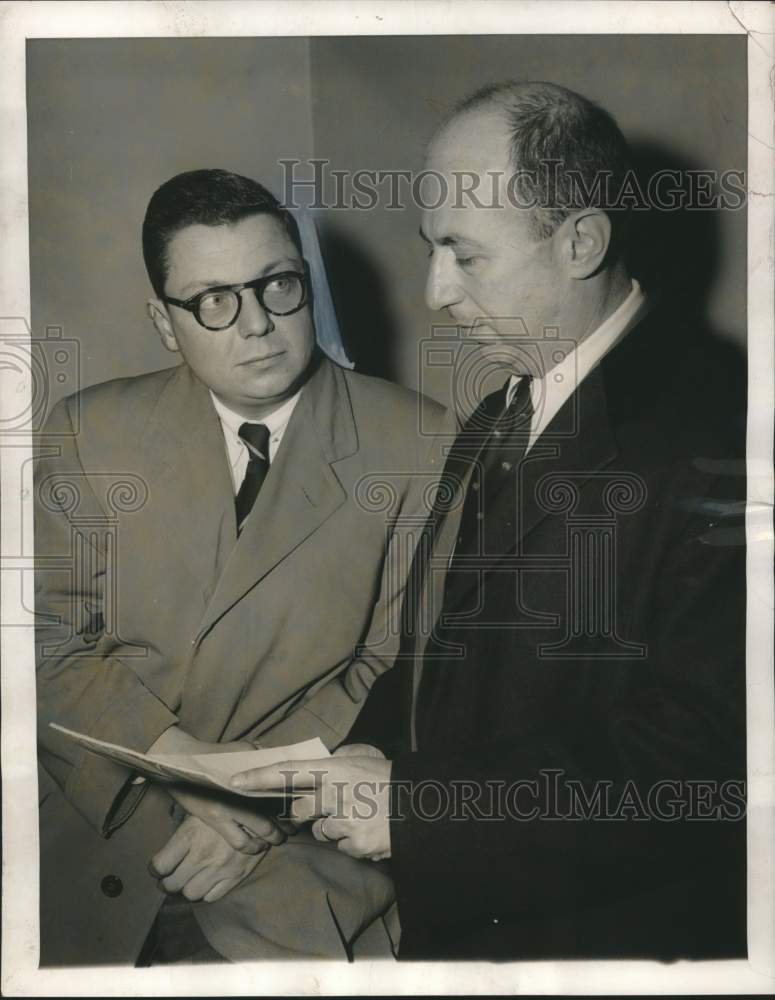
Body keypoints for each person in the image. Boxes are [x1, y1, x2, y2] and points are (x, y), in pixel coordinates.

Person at [232, 83, 748, 960]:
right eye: (431, 251)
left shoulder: (722, 427)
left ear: (581, 241)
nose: (434, 293)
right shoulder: (497, 415)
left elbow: (700, 764)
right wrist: (345, 773)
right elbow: (442, 651)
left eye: (465, 257)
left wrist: (421, 810)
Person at [34, 168, 442, 964]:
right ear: (163, 322)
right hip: (106, 819)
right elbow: (46, 641)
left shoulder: (419, 442)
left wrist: (256, 811)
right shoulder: (90, 431)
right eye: (213, 300)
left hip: (302, 845)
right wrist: (185, 768)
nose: (256, 323)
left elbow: (395, 668)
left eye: (277, 286)